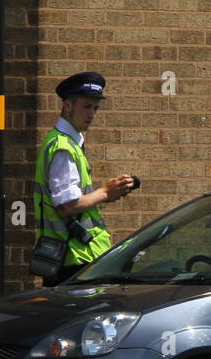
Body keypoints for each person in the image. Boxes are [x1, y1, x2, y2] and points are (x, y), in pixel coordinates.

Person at [33, 71, 135, 286]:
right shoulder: (63, 147)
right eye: (86, 107)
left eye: (96, 108)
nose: (92, 114)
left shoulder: (68, 143)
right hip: (73, 257)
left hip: (76, 256)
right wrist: (105, 192)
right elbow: (67, 205)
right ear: (67, 106)